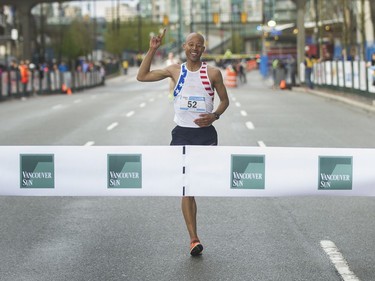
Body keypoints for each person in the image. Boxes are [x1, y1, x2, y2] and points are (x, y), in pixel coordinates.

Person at [137, 29, 229, 256]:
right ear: (185, 47)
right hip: (182, 135)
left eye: (199, 45)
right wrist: (153, 48)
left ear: (203, 49)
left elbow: (225, 100)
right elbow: (142, 76)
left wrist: (214, 115)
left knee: (200, 183)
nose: (195, 48)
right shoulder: (175, 71)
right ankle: (193, 238)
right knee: (187, 187)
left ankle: (194, 231)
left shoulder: (214, 73)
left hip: (206, 135)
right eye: (191, 44)